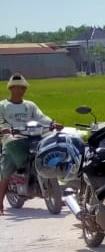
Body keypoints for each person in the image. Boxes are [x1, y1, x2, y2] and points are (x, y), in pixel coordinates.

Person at [0, 73, 59, 215]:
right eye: (19, 87)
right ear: (11, 88)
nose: (22, 90)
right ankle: (0, 201)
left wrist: (52, 123)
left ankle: (54, 191)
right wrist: (3, 128)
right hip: (12, 138)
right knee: (6, 169)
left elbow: (41, 116)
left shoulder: (29, 105)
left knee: (48, 149)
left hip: (32, 135)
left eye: (23, 88)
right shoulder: (3, 105)